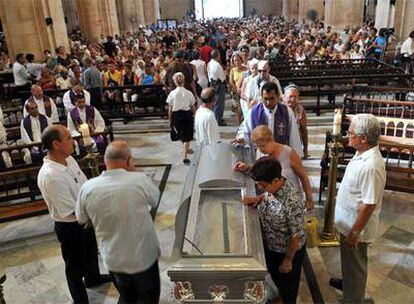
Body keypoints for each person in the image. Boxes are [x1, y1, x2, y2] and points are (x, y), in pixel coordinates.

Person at [76, 140, 161, 304]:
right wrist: (135, 171)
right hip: (142, 257)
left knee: (127, 296)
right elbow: (155, 199)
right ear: (129, 160)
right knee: (148, 297)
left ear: (105, 161)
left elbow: (81, 218)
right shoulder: (139, 180)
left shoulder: (87, 188)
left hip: (114, 257)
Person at [37, 125, 111, 304]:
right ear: (56, 144)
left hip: (84, 217)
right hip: (70, 226)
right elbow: (69, 210)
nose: (74, 141)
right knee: (75, 268)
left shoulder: (68, 160)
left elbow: (83, 184)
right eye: (69, 138)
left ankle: (93, 278)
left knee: (91, 251)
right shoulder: (51, 176)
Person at [331, 114, 386, 304]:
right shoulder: (362, 152)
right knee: (349, 263)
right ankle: (349, 284)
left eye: (351, 132)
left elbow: (369, 203)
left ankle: (352, 299)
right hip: (348, 223)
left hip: (356, 229)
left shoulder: (371, 166)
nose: (348, 135)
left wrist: (354, 233)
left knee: (356, 266)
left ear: (363, 138)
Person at [242, 156, 306, 304]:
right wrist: (257, 198)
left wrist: (288, 260)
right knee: (275, 280)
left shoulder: (292, 201)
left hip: (286, 251)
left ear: (276, 181)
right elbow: (268, 194)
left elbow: (296, 235)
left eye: (263, 185)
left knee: (287, 288)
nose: (261, 187)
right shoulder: (274, 186)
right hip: (271, 245)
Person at [234, 125, 313, 210]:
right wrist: (246, 167)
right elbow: (263, 173)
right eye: (258, 147)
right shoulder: (261, 153)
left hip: (291, 201)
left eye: (263, 146)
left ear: (271, 140)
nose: (261, 150)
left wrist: (309, 200)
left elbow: (303, 176)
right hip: (273, 200)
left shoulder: (288, 153)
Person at [235, 82, 304, 158]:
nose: (268, 102)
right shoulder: (254, 112)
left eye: (272, 98)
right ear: (261, 96)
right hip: (260, 157)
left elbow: (293, 136)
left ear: (277, 96)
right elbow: (245, 130)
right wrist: (241, 138)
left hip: (281, 156)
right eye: (266, 99)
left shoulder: (286, 112)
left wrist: (296, 157)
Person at [167, 72, 196, 165]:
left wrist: (170, 118)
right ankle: (185, 156)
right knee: (187, 136)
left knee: (181, 134)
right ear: (184, 81)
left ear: (175, 82)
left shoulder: (172, 93)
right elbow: (192, 106)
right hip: (187, 115)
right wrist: (196, 115)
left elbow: (170, 108)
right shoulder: (189, 93)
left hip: (176, 115)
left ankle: (186, 149)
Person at [283, 84, 309, 158]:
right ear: (284, 97)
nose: (293, 100)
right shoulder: (279, 109)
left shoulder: (300, 110)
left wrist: (305, 149)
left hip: (295, 143)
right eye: (290, 96)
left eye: (295, 97)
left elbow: (304, 130)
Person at [207, 49, 227, 125]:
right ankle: (218, 119)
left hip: (212, 83)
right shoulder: (217, 65)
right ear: (217, 56)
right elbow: (223, 77)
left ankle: (216, 118)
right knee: (219, 102)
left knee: (214, 102)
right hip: (218, 84)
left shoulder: (209, 63)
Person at [229, 53, 246, 124]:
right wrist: (236, 89)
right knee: (237, 109)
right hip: (236, 92)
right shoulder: (233, 70)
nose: (237, 62)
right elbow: (231, 81)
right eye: (235, 60)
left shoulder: (245, 69)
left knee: (244, 109)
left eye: (238, 60)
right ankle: (239, 124)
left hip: (244, 91)